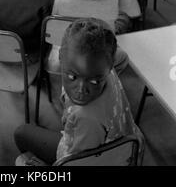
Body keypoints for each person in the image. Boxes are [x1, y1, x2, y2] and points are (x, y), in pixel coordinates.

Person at [14, 17, 144, 166]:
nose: (81, 89)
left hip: (94, 159)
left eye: (94, 81)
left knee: (21, 133)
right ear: (60, 59)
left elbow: (80, 162)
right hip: (125, 150)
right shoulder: (101, 66)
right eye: (72, 76)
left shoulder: (86, 119)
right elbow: (123, 57)